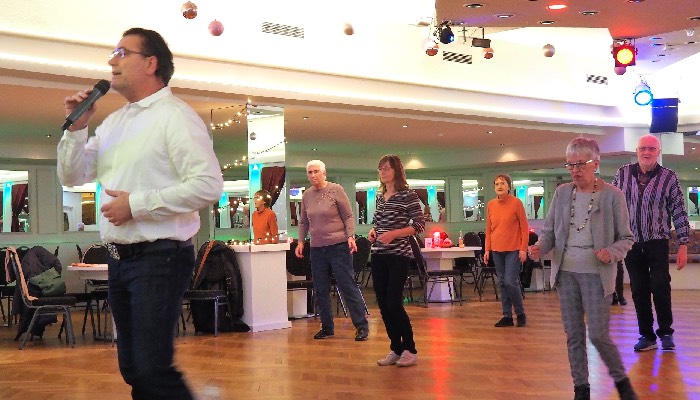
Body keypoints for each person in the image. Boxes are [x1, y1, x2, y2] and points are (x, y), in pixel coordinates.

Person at [57, 28, 223, 400]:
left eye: (121, 52)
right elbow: (72, 175)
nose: (111, 60)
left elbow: (208, 186)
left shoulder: (176, 117)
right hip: (119, 259)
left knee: (151, 368)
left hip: (160, 257)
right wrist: (77, 130)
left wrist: (136, 205)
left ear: (150, 63)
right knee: (134, 367)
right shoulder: (114, 123)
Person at [529, 138, 638, 400]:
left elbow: (626, 238)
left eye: (580, 164)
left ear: (595, 164)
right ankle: (581, 388)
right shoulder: (562, 193)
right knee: (574, 335)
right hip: (566, 275)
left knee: (599, 335)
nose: (575, 170)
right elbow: (549, 232)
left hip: (597, 276)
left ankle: (622, 382)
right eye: (570, 165)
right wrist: (539, 248)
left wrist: (610, 252)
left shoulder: (612, 195)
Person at [612, 134, 689, 352]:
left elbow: (679, 211)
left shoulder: (669, 177)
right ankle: (647, 335)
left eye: (652, 149)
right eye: (643, 148)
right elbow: (612, 206)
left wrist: (683, 244)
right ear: (637, 151)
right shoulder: (622, 174)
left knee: (660, 286)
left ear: (658, 152)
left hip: (657, 241)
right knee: (638, 289)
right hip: (631, 243)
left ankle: (666, 332)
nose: (647, 152)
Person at [295, 160, 369, 341]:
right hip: (317, 248)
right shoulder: (307, 195)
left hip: (339, 246)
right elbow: (303, 221)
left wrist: (350, 236)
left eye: (316, 171)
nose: (313, 175)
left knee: (347, 285)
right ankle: (327, 327)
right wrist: (300, 242)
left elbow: (348, 215)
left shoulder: (336, 190)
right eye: (310, 172)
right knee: (320, 289)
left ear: (324, 173)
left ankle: (361, 326)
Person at [368, 154, 425, 367]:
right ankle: (396, 347)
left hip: (398, 255)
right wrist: (374, 231)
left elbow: (419, 225)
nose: (382, 172)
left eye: (387, 168)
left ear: (396, 171)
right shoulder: (380, 197)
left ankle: (410, 349)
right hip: (378, 254)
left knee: (394, 302)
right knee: (383, 304)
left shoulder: (408, 195)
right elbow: (378, 223)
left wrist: (394, 234)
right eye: (380, 168)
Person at [484, 174, 529, 328]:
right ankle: (507, 316)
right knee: (502, 282)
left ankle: (520, 313)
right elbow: (489, 229)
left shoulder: (516, 203)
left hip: (513, 249)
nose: (499, 186)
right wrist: (487, 249)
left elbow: (524, 228)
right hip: (496, 249)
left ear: (509, 186)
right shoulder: (491, 205)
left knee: (510, 281)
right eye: (496, 184)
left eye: (502, 183)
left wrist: (523, 249)